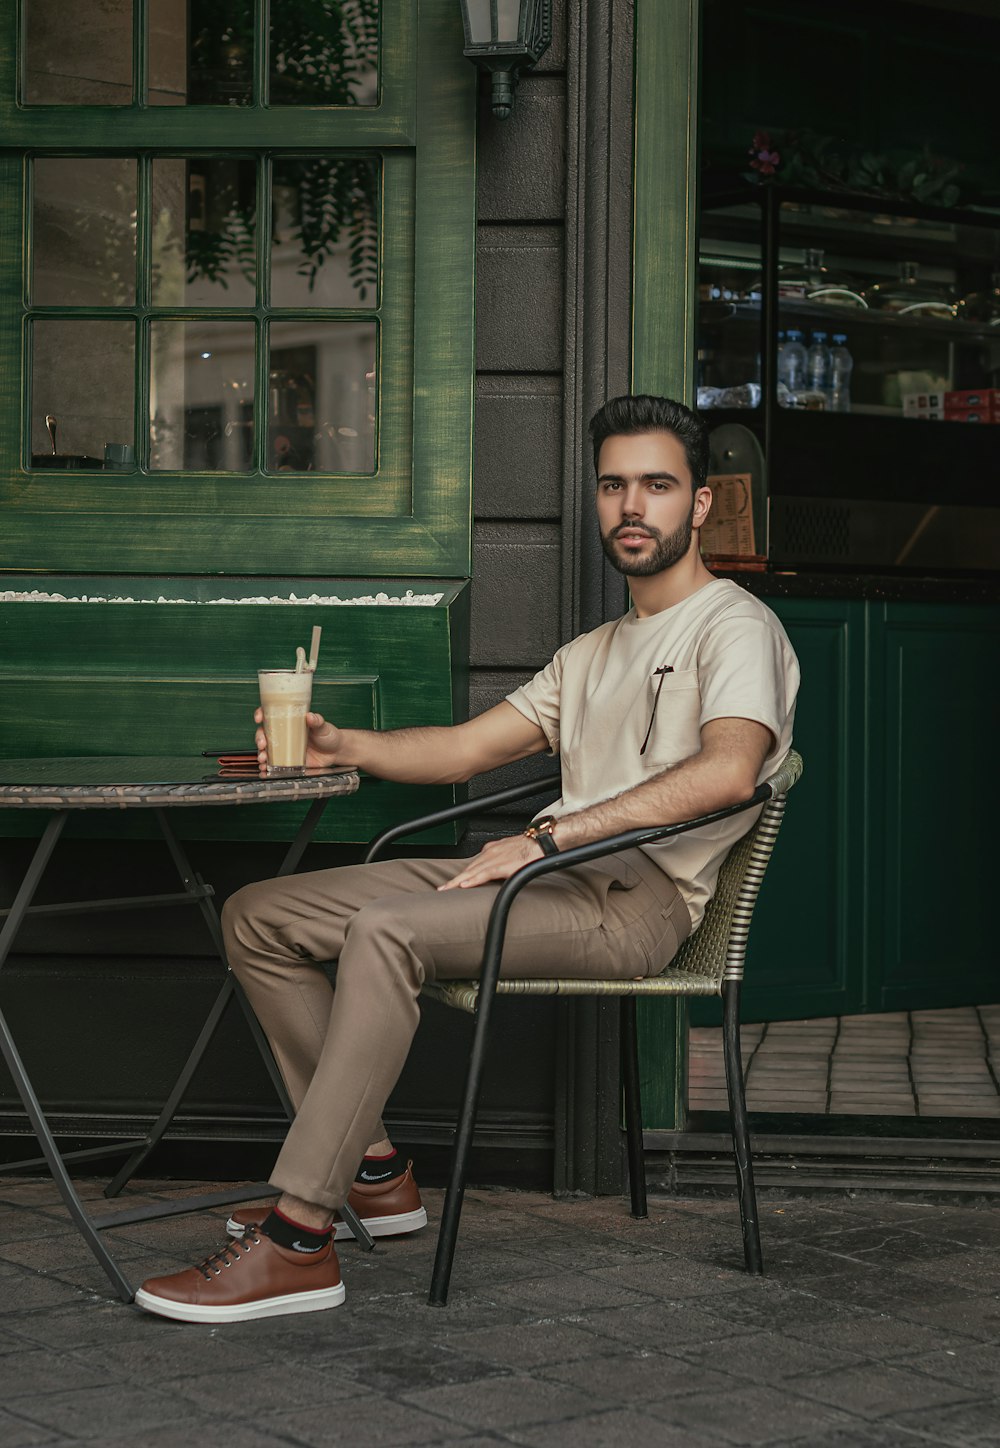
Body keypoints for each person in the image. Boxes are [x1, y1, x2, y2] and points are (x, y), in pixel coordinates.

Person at [135, 395, 799, 1324]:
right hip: (546, 877)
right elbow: (461, 750)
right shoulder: (594, 651)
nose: (632, 506)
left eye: (657, 484)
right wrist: (347, 747)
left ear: (698, 505)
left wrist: (545, 837)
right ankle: (370, 1173)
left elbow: (728, 773)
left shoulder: (735, 627)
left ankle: (298, 1240)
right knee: (262, 915)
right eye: (614, 485)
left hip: (636, 902)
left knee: (387, 932)